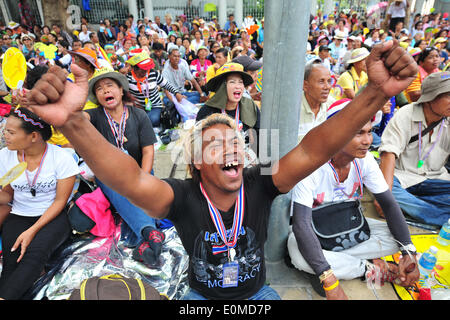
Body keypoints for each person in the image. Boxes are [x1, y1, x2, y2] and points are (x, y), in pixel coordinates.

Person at [21, 39, 417, 300]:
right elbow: (128, 178)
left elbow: (317, 147)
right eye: (215, 143)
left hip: (258, 296)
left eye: (236, 143)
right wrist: (73, 124)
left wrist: (375, 92)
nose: (230, 146)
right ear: (195, 165)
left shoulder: (260, 185)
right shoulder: (181, 196)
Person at [287, 99, 419, 300]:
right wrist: (329, 279)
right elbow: (301, 225)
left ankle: (330, 265)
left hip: (348, 227)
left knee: (398, 237)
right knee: (296, 249)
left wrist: (408, 253)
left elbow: (389, 205)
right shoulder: (311, 163)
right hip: (314, 231)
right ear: (336, 133)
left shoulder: (364, 160)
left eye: (369, 131)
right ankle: (364, 268)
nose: (368, 140)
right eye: (359, 133)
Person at [82, 67, 167, 264]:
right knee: (120, 188)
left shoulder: (138, 115)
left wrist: (143, 178)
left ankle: (143, 242)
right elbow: (79, 120)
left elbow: (148, 151)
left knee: (144, 192)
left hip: (139, 170)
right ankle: (149, 230)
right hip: (109, 173)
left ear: (121, 90)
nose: (105, 91)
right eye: (99, 89)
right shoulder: (93, 116)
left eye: (110, 86)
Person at [0, 107, 79, 300]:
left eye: (11, 132)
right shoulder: (5, 156)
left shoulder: (61, 158)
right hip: (19, 214)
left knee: (35, 255)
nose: (4, 135)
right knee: (11, 261)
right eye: (4, 129)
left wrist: (32, 230)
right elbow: (8, 196)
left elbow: (60, 201)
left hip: (54, 215)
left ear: (33, 136)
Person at [378, 71, 450, 227]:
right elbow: (388, 154)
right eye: (448, 96)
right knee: (386, 191)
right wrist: (385, 198)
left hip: (435, 180)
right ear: (431, 97)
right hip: (402, 178)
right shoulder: (406, 115)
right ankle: (438, 216)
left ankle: (419, 209)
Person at [124, 48, 183, 127]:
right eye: (143, 70)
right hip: (138, 108)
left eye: (147, 69)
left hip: (155, 106)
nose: (146, 71)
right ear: (134, 68)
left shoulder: (153, 73)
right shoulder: (128, 78)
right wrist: (132, 103)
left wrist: (176, 93)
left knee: (152, 120)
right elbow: (124, 95)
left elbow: (167, 85)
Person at [298, 59, 335, 142]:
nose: (327, 87)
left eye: (329, 81)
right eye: (321, 81)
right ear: (305, 85)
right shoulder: (290, 108)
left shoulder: (332, 106)